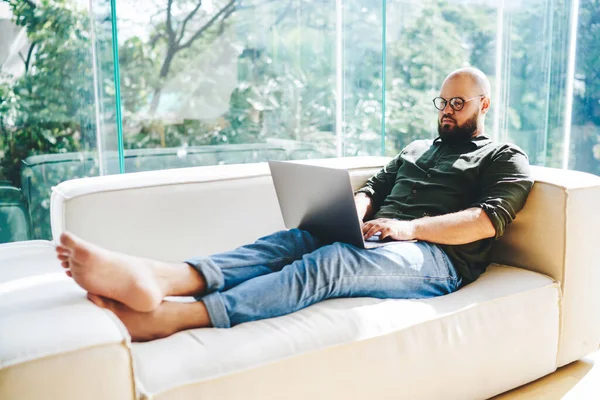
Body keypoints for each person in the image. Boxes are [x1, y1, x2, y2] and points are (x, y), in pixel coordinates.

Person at [55, 67, 534, 342]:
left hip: (436, 259)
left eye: (458, 104)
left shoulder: (504, 157)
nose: (446, 111)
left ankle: (181, 315)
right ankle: (166, 277)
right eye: (443, 102)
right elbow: (375, 187)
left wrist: (408, 229)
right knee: (291, 240)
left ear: (484, 105)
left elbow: (484, 222)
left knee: (333, 262)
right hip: (383, 236)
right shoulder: (414, 148)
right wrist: (352, 210)